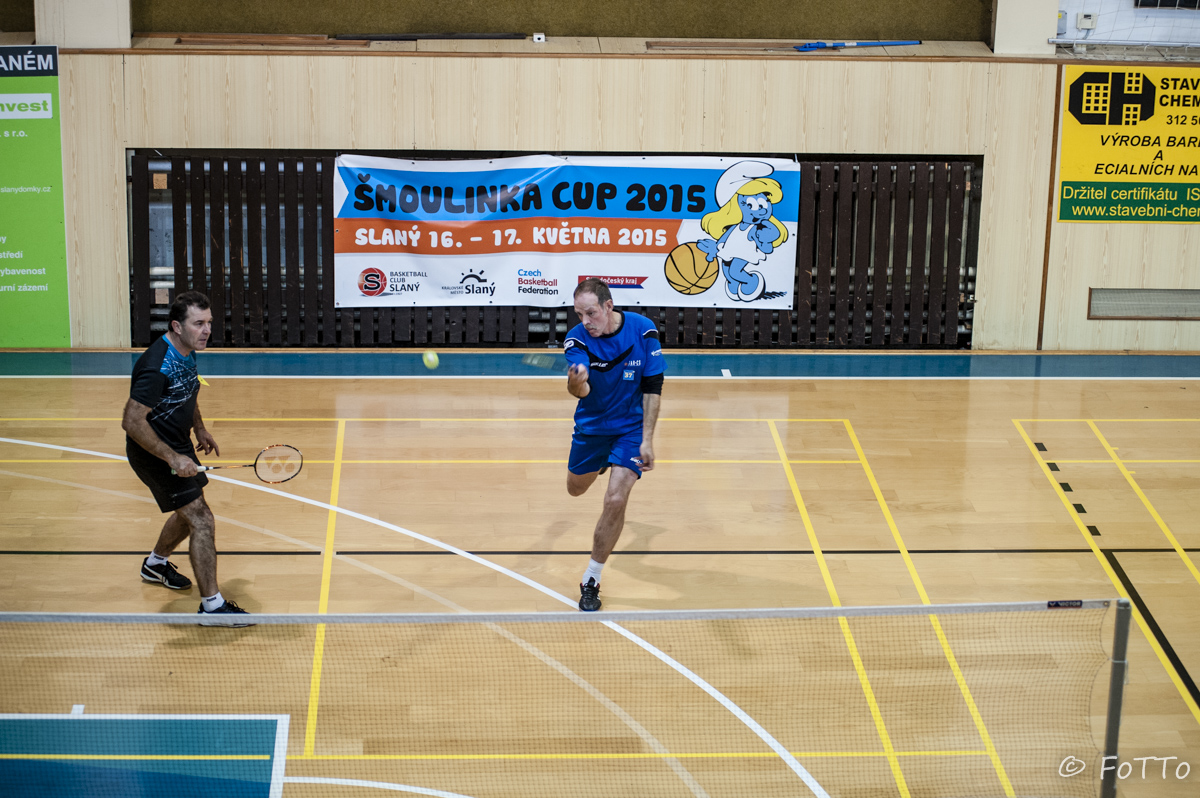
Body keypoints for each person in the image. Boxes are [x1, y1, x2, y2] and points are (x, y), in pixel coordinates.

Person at [121, 290, 250, 622]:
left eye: (209, 322)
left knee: (187, 512)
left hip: (178, 443)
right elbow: (132, 422)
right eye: (198, 323)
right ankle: (212, 606)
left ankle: (155, 565)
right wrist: (172, 458)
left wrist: (199, 428)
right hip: (154, 452)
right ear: (177, 326)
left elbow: (187, 389)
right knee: (201, 518)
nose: (207, 330)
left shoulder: (187, 351)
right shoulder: (156, 366)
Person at [563, 278, 665, 611]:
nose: (585, 321)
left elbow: (653, 386)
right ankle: (603, 462)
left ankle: (591, 578)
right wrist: (577, 383)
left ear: (608, 306)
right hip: (592, 428)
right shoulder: (576, 340)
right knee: (576, 489)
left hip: (630, 429)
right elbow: (581, 392)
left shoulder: (643, 331)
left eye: (591, 313)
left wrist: (647, 439)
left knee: (616, 498)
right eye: (579, 314)